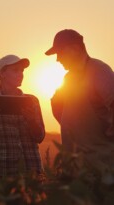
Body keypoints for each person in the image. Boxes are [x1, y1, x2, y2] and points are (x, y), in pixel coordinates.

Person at [46, 29, 114, 168]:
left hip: (100, 167)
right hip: (75, 166)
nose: (58, 59)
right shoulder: (68, 78)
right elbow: (59, 107)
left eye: (60, 52)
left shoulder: (99, 71)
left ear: (76, 48)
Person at [0, 55, 45, 177]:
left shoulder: (32, 101)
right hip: (1, 170)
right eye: (15, 70)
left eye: (22, 70)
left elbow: (39, 137)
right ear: (2, 74)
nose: (21, 74)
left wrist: (31, 121)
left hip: (31, 170)